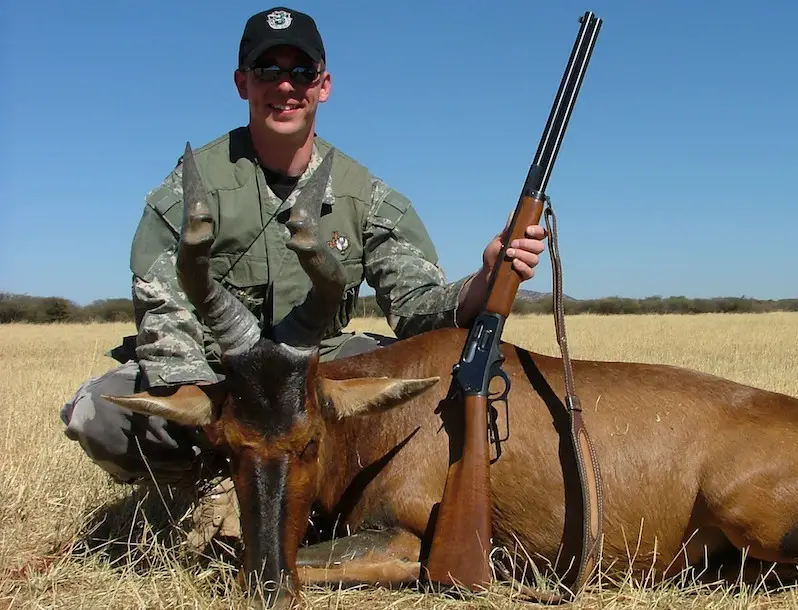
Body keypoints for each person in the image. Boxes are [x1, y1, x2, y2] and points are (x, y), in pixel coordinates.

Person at [59, 6, 548, 542]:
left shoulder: (367, 195)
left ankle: (328, 498)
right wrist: (234, 417)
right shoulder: (191, 187)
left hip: (318, 374)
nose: (285, 86)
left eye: (302, 72)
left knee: (421, 392)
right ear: (242, 82)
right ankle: (214, 491)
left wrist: (487, 277)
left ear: (325, 84)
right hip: (219, 379)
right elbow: (164, 313)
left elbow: (419, 309)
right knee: (98, 414)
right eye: (268, 71)